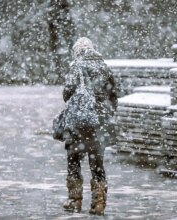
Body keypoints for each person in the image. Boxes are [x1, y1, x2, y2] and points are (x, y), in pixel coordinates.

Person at [62, 37, 118, 215]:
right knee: (97, 163)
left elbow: (67, 93)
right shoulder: (104, 67)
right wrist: (103, 114)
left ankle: (74, 200)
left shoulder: (76, 66)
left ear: (76, 52)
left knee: (73, 160)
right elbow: (114, 96)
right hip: (97, 125)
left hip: (78, 123)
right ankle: (98, 203)